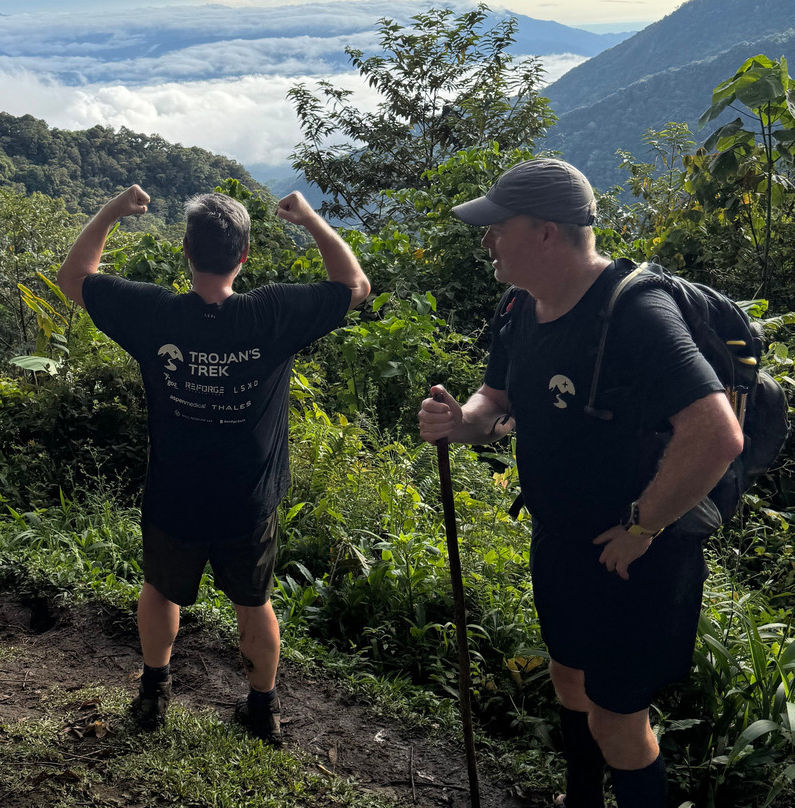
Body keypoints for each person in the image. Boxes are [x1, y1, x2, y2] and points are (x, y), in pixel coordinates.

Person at [417, 159, 743, 807]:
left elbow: (717, 434)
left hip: (637, 558)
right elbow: (496, 398)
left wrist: (642, 527)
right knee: (569, 676)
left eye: (496, 227)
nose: (487, 241)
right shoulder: (520, 307)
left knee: (618, 718)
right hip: (561, 539)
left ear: (544, 232)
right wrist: (462, 423)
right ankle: (581, 799)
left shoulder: (635, 313)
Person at [58, 184, 369, 745]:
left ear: (186, 251)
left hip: (175, 493)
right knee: (254, 602)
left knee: (160, 588)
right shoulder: (272, 313)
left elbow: (74, 278)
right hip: (247, 501)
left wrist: (111, 210)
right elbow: (354, 287)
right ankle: (262, 709)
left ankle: (154, 693)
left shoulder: (153, 313)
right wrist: (310, 220)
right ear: (244, 256)